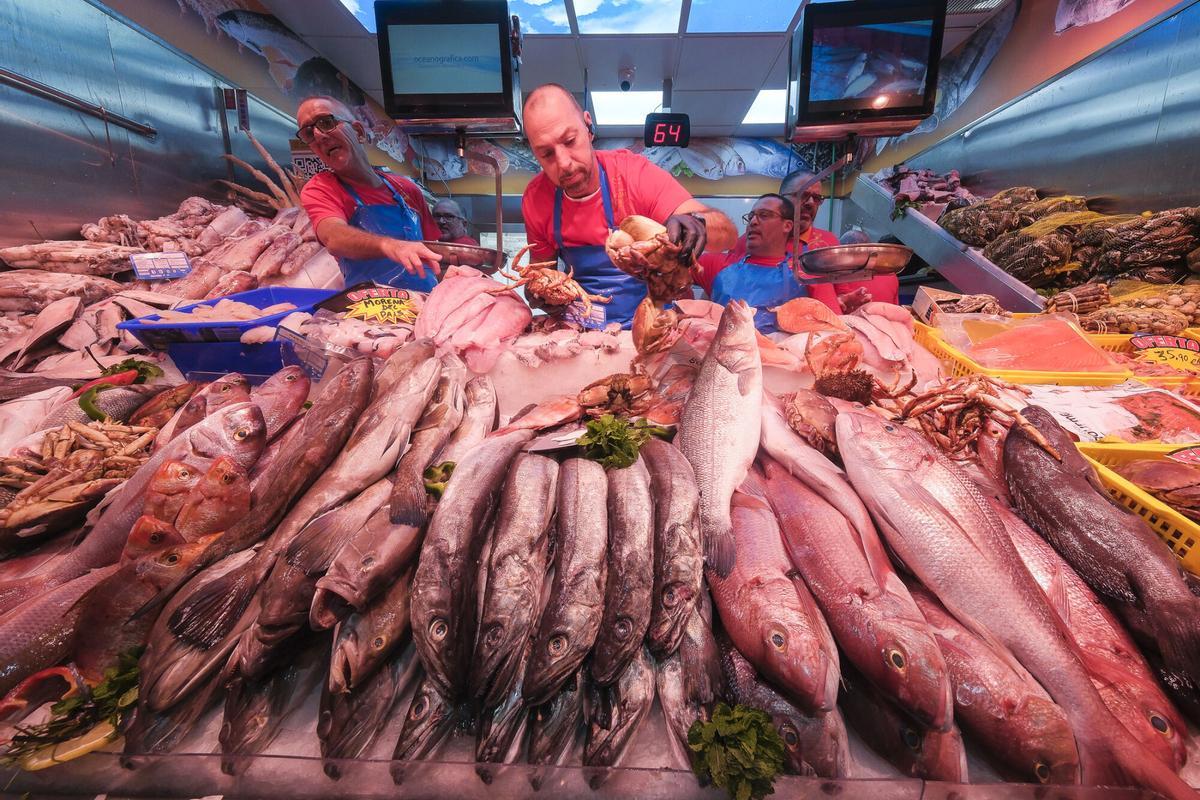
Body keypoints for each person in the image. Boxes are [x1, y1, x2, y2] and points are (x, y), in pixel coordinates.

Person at [520, 84, 736, 328]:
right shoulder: (537, 199)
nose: (564, 163)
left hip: (658, 326)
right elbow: (540, 272)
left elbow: (728, 234)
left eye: (570, 141)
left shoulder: (635, 176)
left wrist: (697, 223)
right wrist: (536, 292)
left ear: (588, 127)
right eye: (546, 154)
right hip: (585, 330)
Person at [296, 95, 442, 291]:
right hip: (370, 305)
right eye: (308, 133)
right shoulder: (321, 189)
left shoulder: (407, 189)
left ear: (358, 131)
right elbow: (334, 237)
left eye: (326, 122)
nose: (319, 136)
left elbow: (432, 251)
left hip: (427, 299)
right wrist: (389, 246)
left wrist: (454, 273)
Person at [707, 194, 806, 333]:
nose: (753, 221)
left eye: (764, 215)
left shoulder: (805, 274)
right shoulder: (719, 267)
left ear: (787, 226)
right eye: (751, 217)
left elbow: (831, 329)